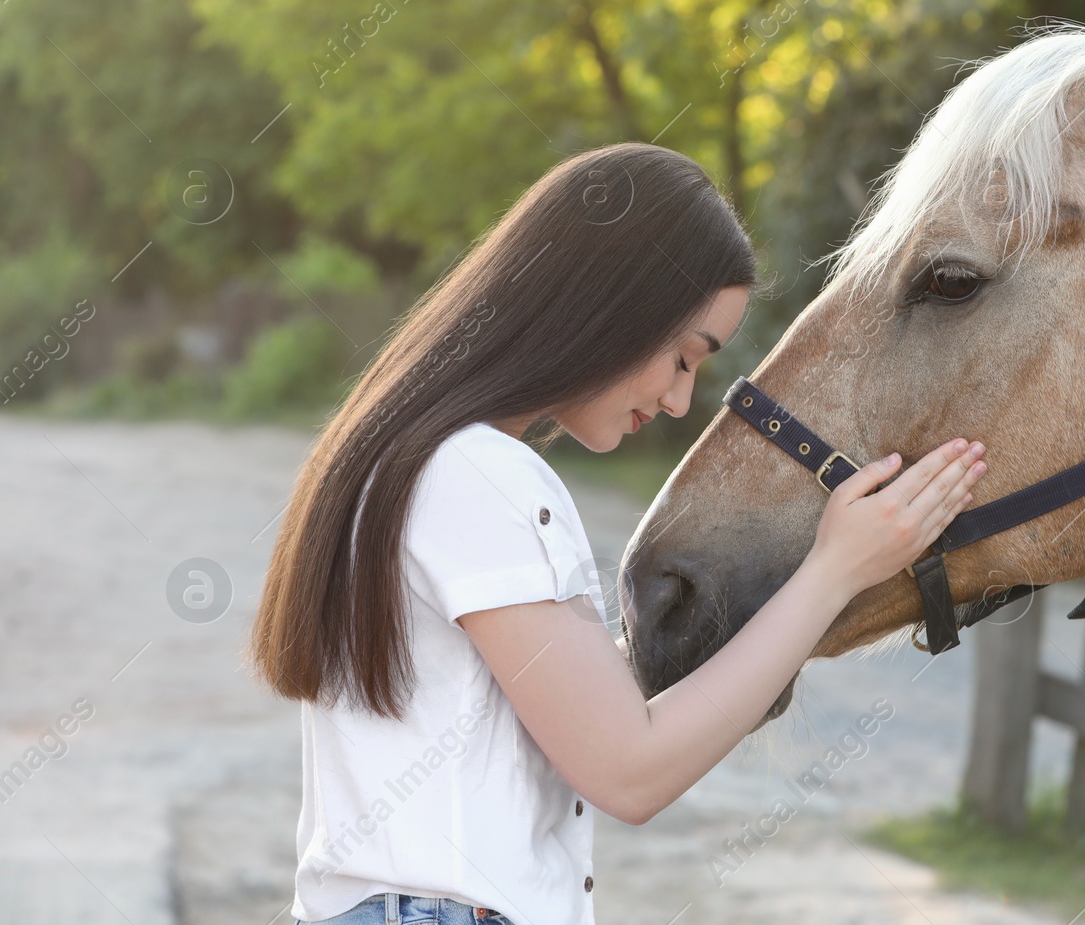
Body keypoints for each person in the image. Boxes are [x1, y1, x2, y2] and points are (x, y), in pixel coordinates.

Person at [250, 142, 989, 925]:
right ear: (609, 308)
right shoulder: (483, 475)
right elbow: (630, 768)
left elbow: (605, 722)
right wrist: (834, 571)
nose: (679, 399)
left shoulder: (415, 457)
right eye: (682, 357)